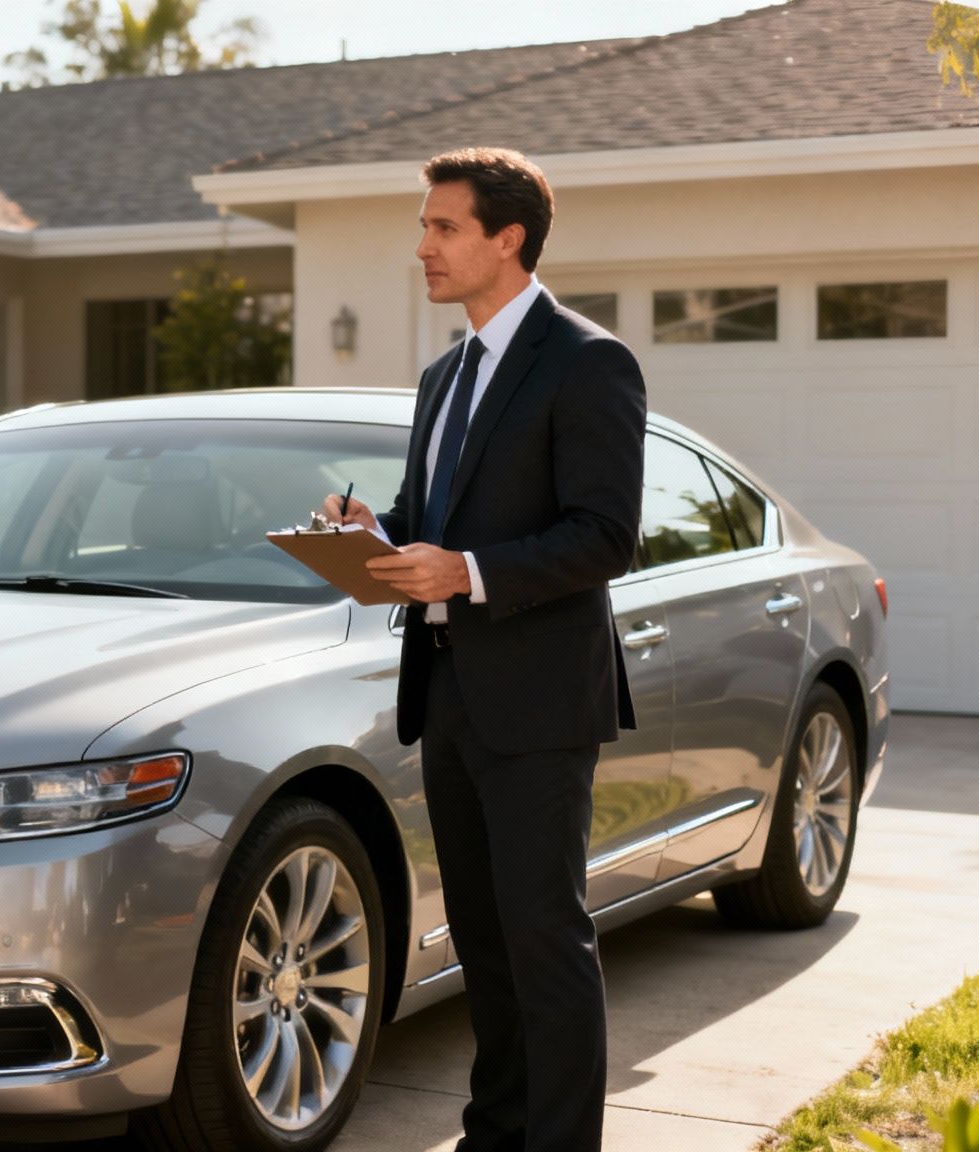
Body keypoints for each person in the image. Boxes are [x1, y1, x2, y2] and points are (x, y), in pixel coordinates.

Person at [327, 146, 645, 1152]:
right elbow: (435, 517)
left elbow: (604, 535)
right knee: (482, 942)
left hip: (541, 703)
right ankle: (494, 1133)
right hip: (450, 694)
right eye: (422, 226)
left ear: (506, 239)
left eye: (441, 227)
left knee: (544, 940)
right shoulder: (442, 374)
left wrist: (463, 571)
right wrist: (367, 532)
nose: (420, 245)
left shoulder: (588, 362)